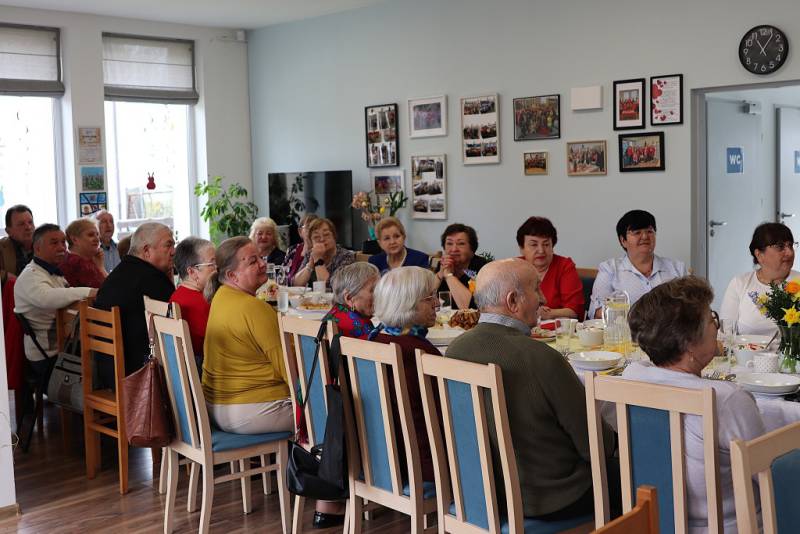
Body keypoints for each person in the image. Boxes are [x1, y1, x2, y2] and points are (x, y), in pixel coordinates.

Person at [446, 259, 618, 521]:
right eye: (536, 288)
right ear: (513, 300)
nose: (543, 298)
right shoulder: (541, 357)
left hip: (480, 492)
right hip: (549, 497)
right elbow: (597, 446)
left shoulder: (455, 350)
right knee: (641, 475)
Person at [625, 276, 766, 531]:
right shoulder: (726, 399)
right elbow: (768, 476)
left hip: (653, 523)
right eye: (711, 318)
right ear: (689, 343)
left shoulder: (631, 378)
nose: (716, 326)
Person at [202, 236, 292, 434]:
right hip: (251, 410)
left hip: (215, 406)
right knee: (336, 413)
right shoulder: (253, 308)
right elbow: (290, 368)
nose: (263, 264)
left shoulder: (220, 296)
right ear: (232, 276)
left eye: (260, 257)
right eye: (253, 262)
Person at [369, 266, 442, 482]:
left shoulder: (373, 339)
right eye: (429, 298)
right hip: (421, 463)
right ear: (407, 304)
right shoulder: (418, 352)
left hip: (378, 456)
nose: (437, 303)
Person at [93, 222, 175, 381]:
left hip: (107, 371)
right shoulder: (152, 279)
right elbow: (175, 323)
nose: (173, 251)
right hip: (138, 377)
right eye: (168, 245)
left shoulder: (120, 272)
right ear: (147, 251)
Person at [13, 224, 96, 381]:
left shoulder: (51, 272)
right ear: (37, 248)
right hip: (48, 356)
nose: (62, 247)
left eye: (63, 242)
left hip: (65, 346)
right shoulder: (30, 276)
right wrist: (89, 292)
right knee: (105, 358)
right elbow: (47, 298)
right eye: (54, 243)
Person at [589, 209, 687, 318]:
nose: (645, 236)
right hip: (626, 328)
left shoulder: (677, 268)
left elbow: (691, 307)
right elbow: (598, 311)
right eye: (637, 232)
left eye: (649, 231)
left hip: (669, 328)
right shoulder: (610, 269)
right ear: (623, 240)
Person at [721, 222, 800, 336]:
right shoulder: (739, 283)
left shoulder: (798, 280)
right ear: (759, 255)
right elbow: (726, 332)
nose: (789, 252)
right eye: (780, 246)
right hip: (746, 348)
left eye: (790, 245)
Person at [516, 216, 583, 319]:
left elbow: (575, 311)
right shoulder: (514, 267)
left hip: (556, 327)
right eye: (534, 245)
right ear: (522, 248)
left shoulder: (564, 266)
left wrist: (548, 314)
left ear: (552, 246)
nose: (541, 250)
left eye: (546, 244)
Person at [169, 237, 215, 364]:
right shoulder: (201, 303)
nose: (218, 269)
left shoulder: (178, 295)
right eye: (212, 264)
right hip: (202, 367)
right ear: (192, 272)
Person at [435, 223, 487, 310]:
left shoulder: (483, 268)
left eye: (461, 244)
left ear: (472, 249)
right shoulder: (443, 265)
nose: (454, 249)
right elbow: (425, 297)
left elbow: (471, 308)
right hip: (445, 317)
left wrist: (449, 276)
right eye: (449, 243)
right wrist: (440, 274)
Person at [291, 218, 355, 288]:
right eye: (316, 237)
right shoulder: (310, 254)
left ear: (334, 237)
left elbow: (331, 286)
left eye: (326, 235)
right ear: (311, 242)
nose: (322, 239)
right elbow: (296, 283)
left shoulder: (346, 256)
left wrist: (318, 260)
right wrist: (310, 264)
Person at [325, 262, 380, 339]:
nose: (379, 294)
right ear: (349, 298)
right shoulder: (360, 328)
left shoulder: (335, 311)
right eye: (373, 290)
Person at [59, 218, 107, 288]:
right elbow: (110, 289)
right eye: (91, 235)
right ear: (74, 239)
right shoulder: (77, 263)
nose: (97, 239)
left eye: (97, 234)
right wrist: (101, 268)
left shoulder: (68, 259)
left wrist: (99, 265)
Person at [0, 205, 35, 283]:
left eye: (30, 222)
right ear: (8, 231)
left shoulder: (45, 244)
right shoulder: (2, 247)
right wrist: (6, 276)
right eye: (21, 224)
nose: (28, 227)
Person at [282, 213, 318, 285]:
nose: (312, 230)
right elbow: (281, 276)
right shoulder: (292, 250)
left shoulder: (321, 251)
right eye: (308, 227)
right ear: (300, 232)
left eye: (315, 227)